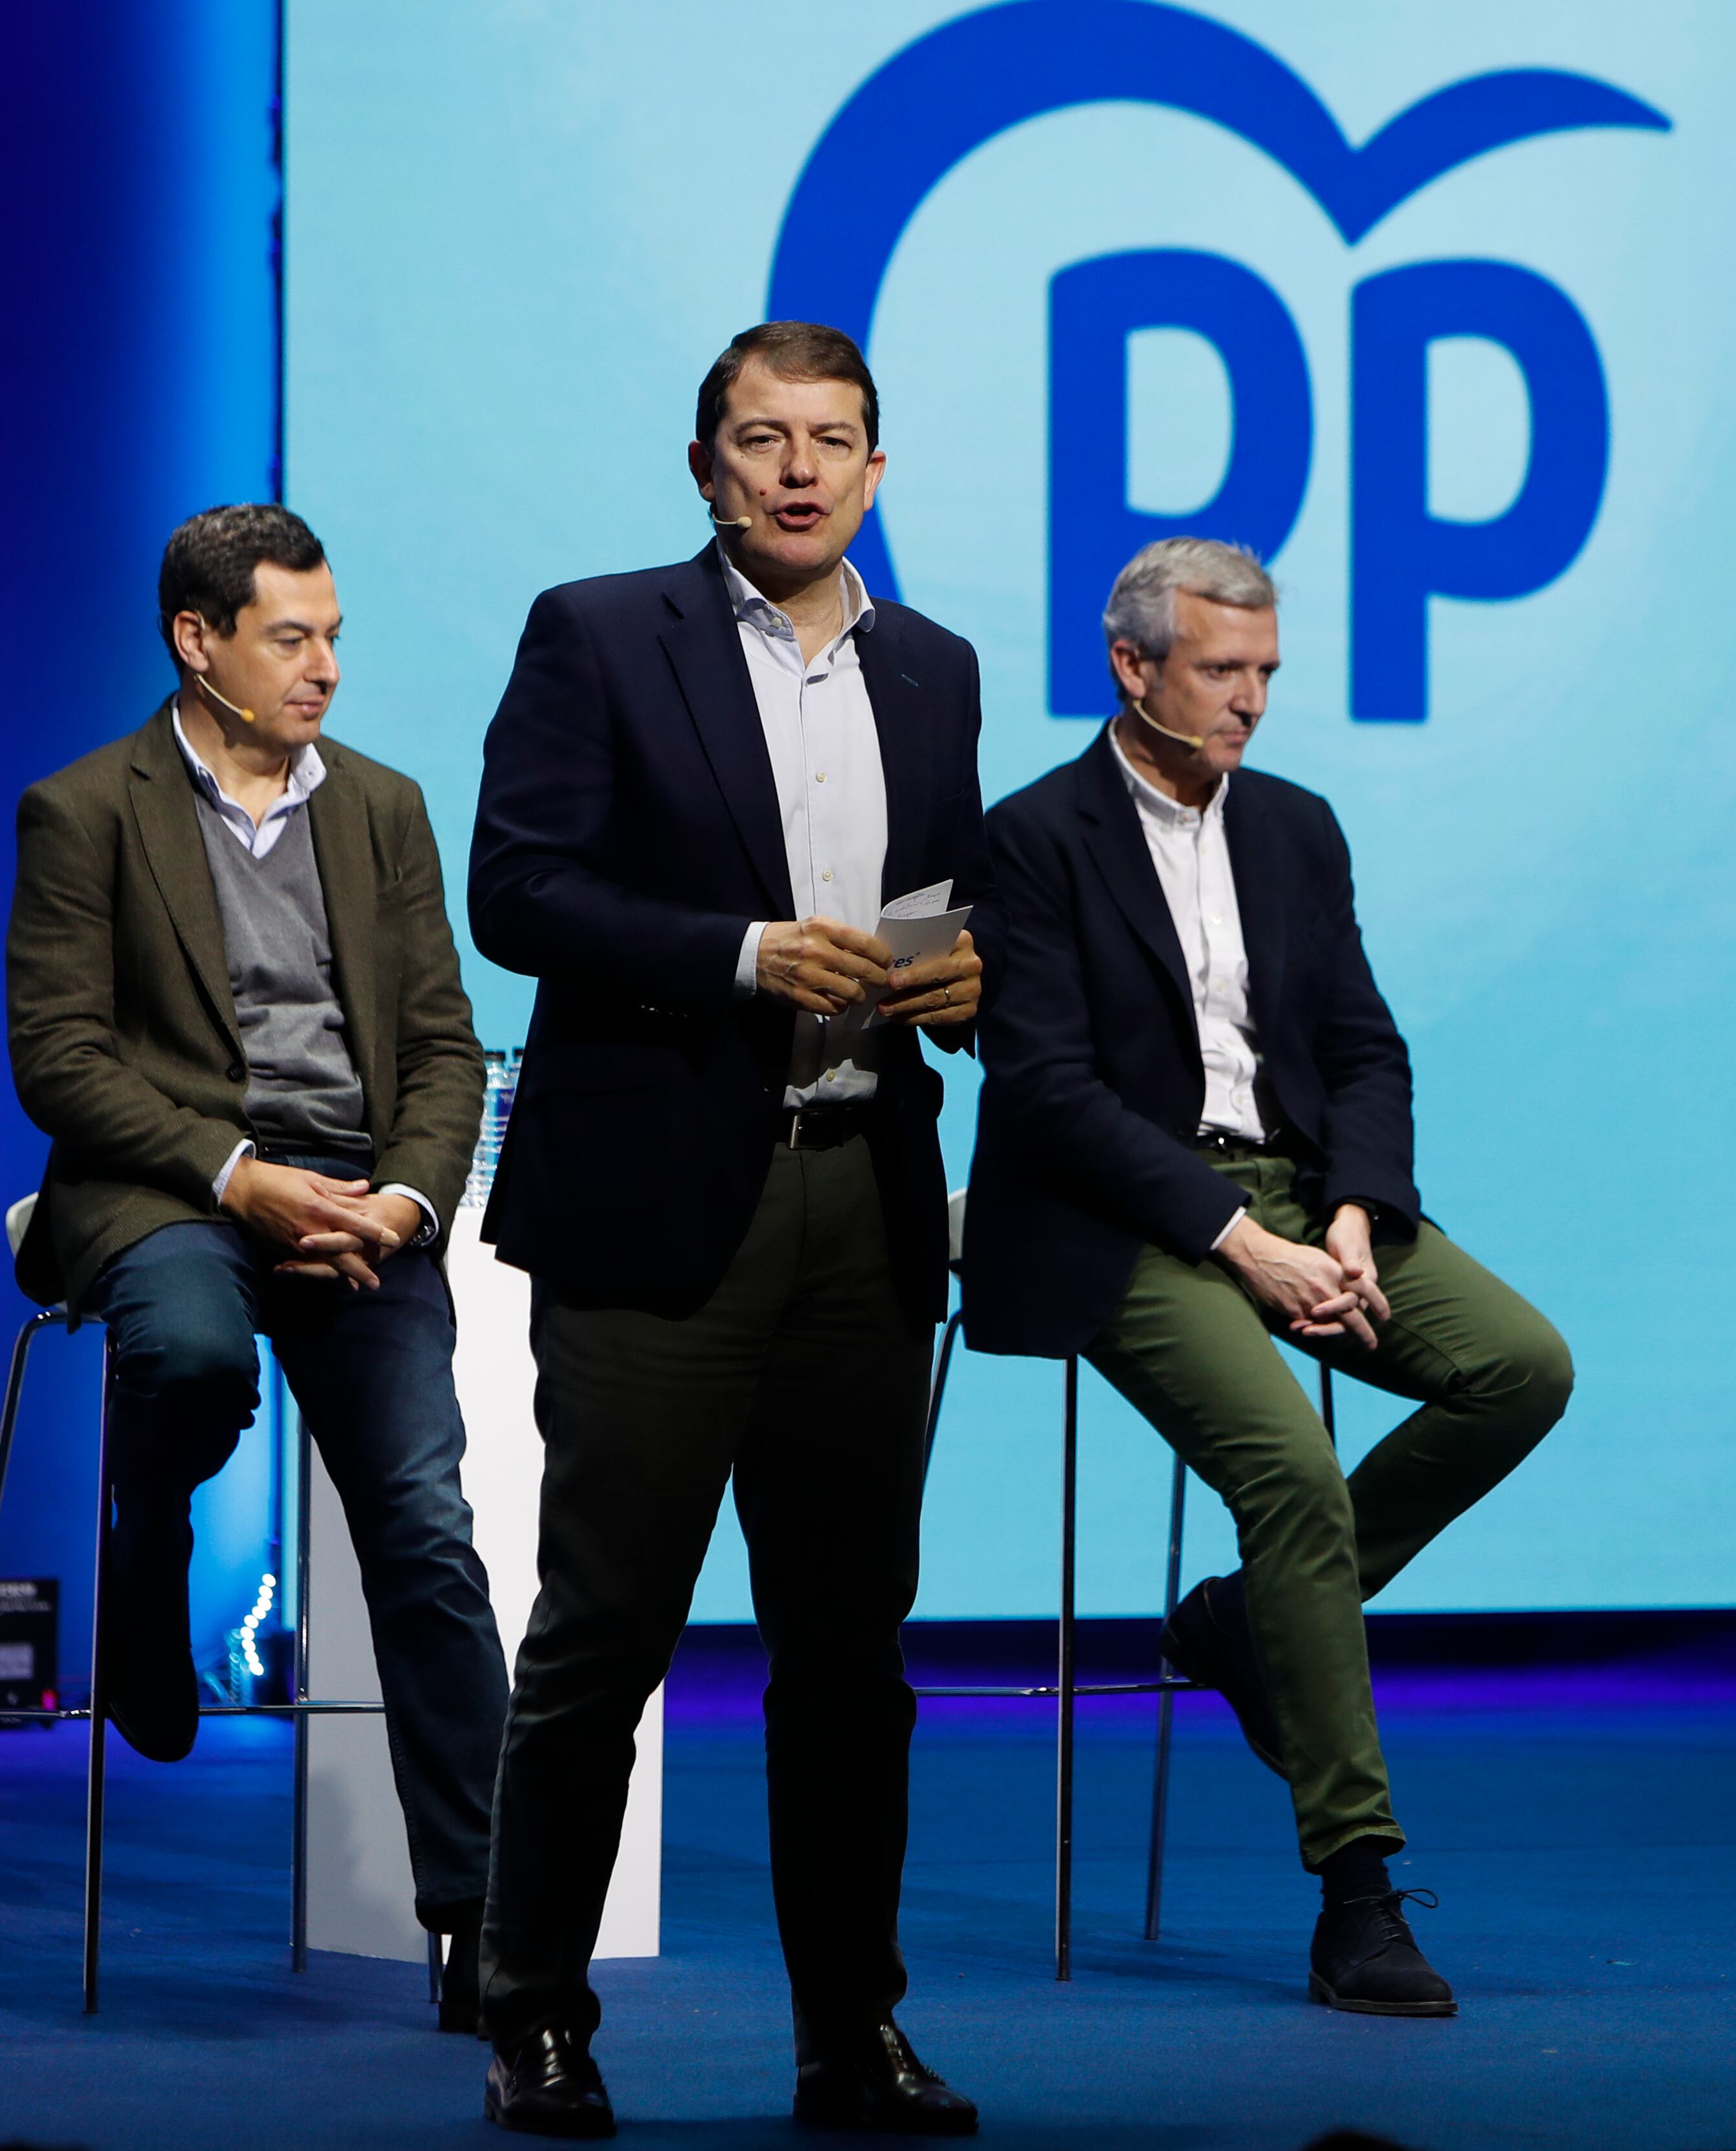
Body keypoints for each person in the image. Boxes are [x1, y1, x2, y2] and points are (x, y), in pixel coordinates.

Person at [465, 323, 987, 2138]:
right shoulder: (601, 630)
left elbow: (934, 909)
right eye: (762, 440)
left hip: (865, 1192)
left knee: (852, 1650)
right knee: (606, 1629)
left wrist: (961, 977)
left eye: (833, 440)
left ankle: (855, 2032)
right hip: (658, 1195)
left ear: (876, 471)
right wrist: (742, 953)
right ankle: (533, 2011)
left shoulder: (935, 670)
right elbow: (516, 887)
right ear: (706, 466)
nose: (798, 469)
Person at [961, 537, 1574, 2017]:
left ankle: (1254, 1623)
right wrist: (1240, 1244)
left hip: (1301, 1191)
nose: (1249, 702)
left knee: (1522, 1366)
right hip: (1120, 1214)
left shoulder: (1295, 826)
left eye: (1265, 674)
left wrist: (1355, 1211)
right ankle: (1355, 1890)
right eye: (1220, 672)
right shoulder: (1031, 836)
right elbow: (1043, 1089)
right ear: (1133, 667)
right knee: (1293, 1471)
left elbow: (1362, 1045)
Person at [6, 503, 510, 2028]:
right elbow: (60, 1059)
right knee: (195, 1353)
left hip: (358, 1205)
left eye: (334, 634)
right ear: (199, 640)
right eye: (292, 637)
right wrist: (239, 1174)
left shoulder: (381, 808)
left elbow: (442, 1042)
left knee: (424, 1528)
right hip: (176, 1182)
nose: (327, 669)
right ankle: (148, 1528)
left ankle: (485, 1918)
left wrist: (407, 1203)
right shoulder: (84, 807)